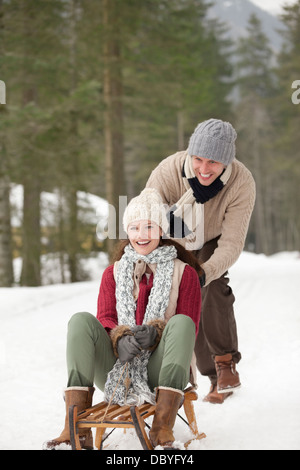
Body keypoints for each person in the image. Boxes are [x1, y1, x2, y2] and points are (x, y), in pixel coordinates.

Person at [44, 188, 202, 450]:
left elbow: (189, 328)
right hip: (117, 371)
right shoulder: (113, 273)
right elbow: (105, 318)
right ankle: (74, 428)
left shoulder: (185, 274)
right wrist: (119, 338)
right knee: (81, 320)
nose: (142, 235)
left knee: (182, 323)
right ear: (127, 231)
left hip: (163, 369)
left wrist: (157, 333)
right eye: (135, 227)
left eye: (150, 226)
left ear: (161, 230)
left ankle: (162, 428)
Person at [146, 118, 256, 404]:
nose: (204, 169)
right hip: (173, 238)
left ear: (227, 162)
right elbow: (147, 216)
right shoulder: (168, 172)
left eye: (214, 163)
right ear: (189, 154)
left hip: (213, 241)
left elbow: (232, 242)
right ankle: (179, 373)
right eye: (198, 159)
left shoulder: (241, 182)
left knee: (212, 290)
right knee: (182, 300)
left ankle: (223, 365)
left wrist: (204, 273)